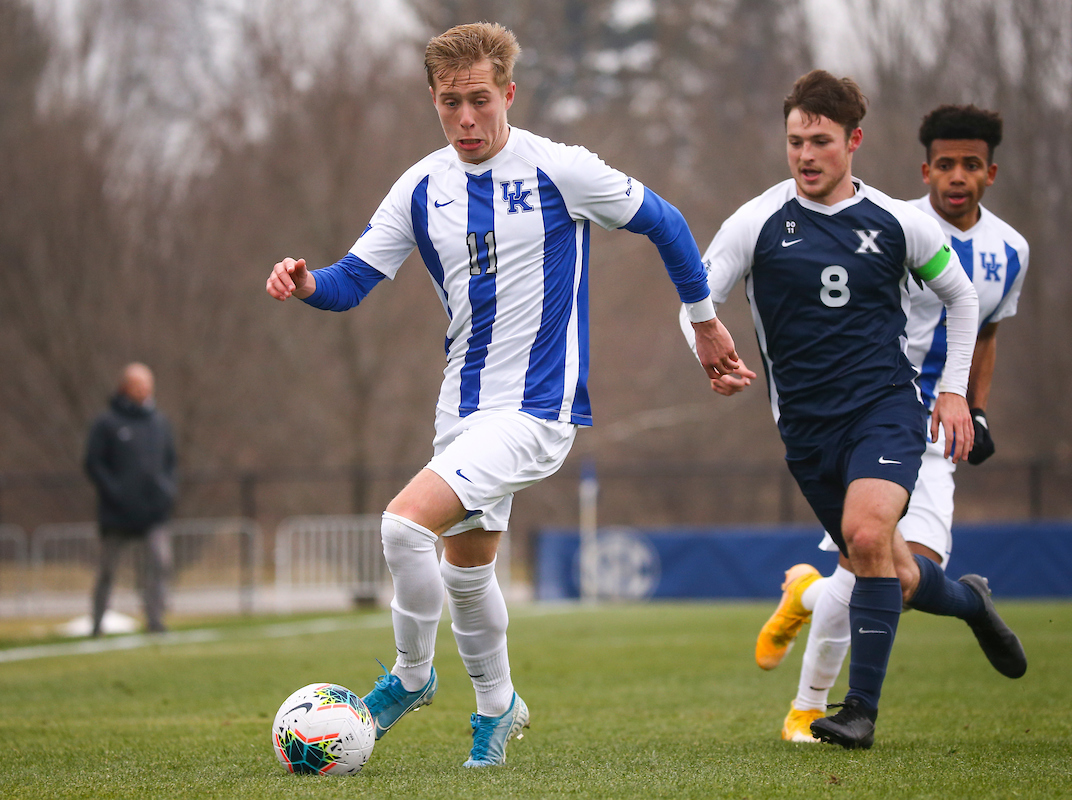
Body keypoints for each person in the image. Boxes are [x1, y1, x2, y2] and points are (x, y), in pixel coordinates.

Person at [265, 22, 741, 768]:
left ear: (509, 94)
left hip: (536, 409)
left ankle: (412, 678)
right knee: (467, 572)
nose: (465, 118)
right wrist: (306, 284)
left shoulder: (559, 169)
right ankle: (497, 708)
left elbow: (667, 223)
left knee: (401, 528)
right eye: (449, 102)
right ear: (433, 100)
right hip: (461, 408)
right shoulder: (421, 187)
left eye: (479, 100)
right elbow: (352, 280)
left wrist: (705, 322)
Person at [680, 72, 1025, 750]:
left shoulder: (897, 222)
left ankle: (855, 711)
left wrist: (954, 392)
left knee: (866, 538)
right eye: (795, 142)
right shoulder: (756, 221)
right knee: (895, 572)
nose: (805, 156)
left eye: (820, 142)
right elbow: (697, 299)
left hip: (886, 409)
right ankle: (971, 603)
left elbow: (962, 299)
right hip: (806, 431)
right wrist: (706, 348)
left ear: (853, 141)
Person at [84, 362, 176, 637]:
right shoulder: (107, 423)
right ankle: (97, 623)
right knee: (107, 570)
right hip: (118, 513)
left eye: (147, 384)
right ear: (125, 387)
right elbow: (93, 463)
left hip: (153, 512)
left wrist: (167, 491)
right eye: (138, 385)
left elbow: (171, 463)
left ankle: (155, 620)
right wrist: (116, 493)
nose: (143, 390)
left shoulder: (159, 422)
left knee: (160, 562)